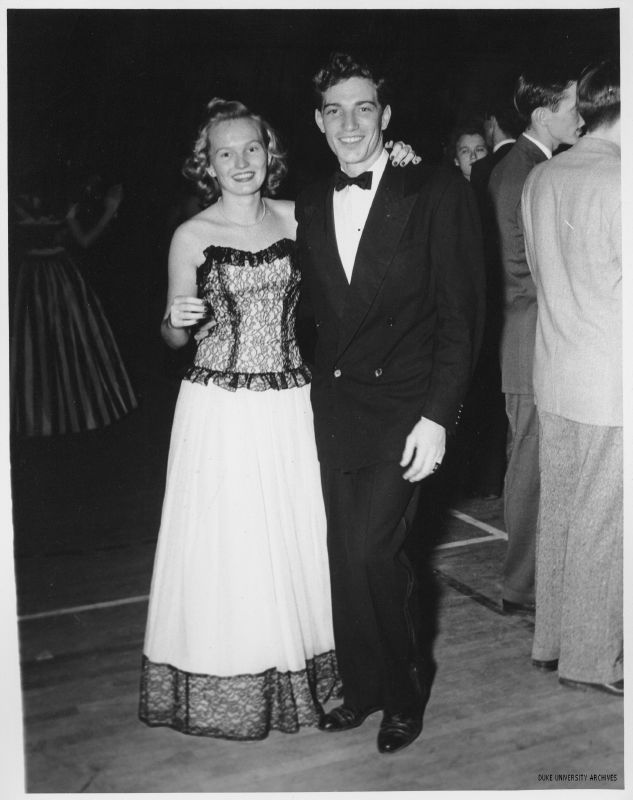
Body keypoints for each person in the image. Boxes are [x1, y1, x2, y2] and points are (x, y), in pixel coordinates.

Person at [138, 98, 416, 740]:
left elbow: (367, 220)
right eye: (225, 153)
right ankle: (240, 671)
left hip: (293, 402)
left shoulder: (302, 215)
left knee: (301, 537)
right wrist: (173, 324)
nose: (241, 162)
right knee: (230, 544)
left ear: (272, 154)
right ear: (206, 165)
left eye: (251, 149)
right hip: (219, 410)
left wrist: (398, 160)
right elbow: (172, 336)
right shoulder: (192, 235)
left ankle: (327, 671)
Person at [296, 52, 484, 754]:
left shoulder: (435, 190)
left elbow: (461, 319)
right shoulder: (311, 198)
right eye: (335, 110)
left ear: (386, 115)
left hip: (407, 410)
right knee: (345, 556)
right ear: (317, 121)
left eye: (364, 107)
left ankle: (403, 694)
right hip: (338, 407)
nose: (350, 123)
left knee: (377, 551)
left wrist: (439, 416)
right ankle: (364, 685)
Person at [521, 60, 622, 695]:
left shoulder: (542, 176)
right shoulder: (624, 180)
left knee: (561, 512)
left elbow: (537, 272)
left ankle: (553, 642)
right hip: (612, 379)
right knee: (605, 524)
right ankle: (594, 661)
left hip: (555, 370)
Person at [488, 63, 583, 615]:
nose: (581, 117)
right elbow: (517, 270)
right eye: (573, 108)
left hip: (540, 336)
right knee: (528, 463)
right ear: (544, 115)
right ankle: (521, 584)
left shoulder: (534, 164)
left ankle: (533, 576)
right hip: (529, 339)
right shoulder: (519, 171)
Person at [9, 174, 137, 436]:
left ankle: (50, 415)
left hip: (42, 275)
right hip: (45, 275)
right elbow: (85, 240)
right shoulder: (27, 200)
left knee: (47, 343)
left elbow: (83, 240)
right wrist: (111, 209)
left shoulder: (27, 200)